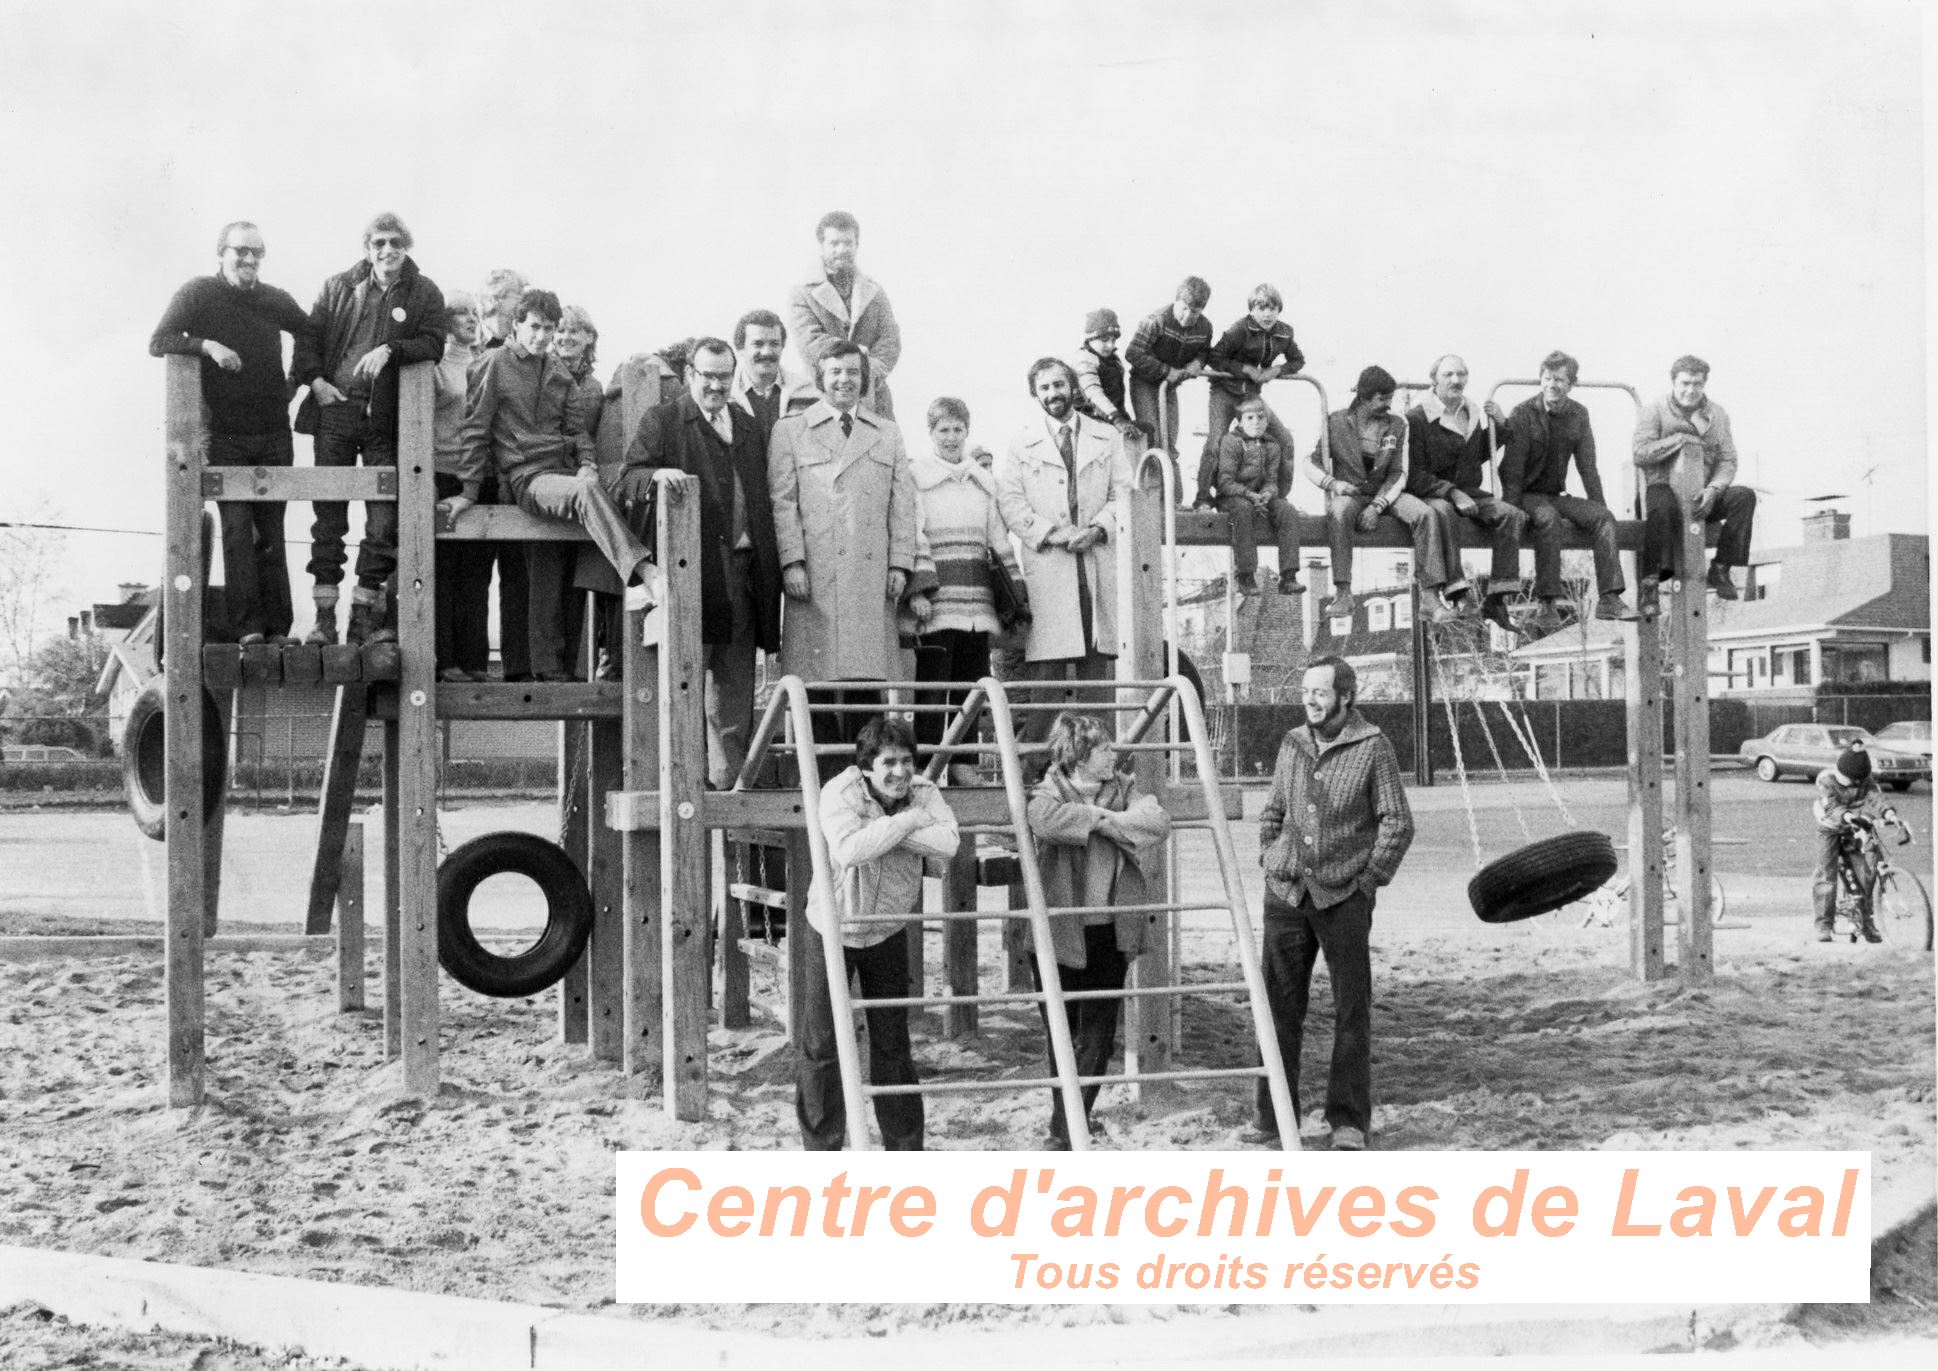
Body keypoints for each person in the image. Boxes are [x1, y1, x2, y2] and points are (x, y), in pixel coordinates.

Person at [1251, 656, 1414, 1151]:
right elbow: (1273, 810)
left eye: (1320, 692)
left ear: (1346, 696)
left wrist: (1368, 882)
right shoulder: (1292, 744)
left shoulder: (1374, 748)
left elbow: (1397, 823)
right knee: (1277, 1008)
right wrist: (1269, 854)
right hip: (1285, 894)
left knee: (1351, 1010)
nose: (1310, 701)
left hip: (1344, 897)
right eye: (1305, 692)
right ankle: (1273, 1117)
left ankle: (1347, 1120)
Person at [460, 288, 659, 683]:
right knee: (586, 496)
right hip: (525, 477)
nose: (542, 336)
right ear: (516, 325)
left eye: (549, 329)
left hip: (564, 473)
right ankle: (641, 572)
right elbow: (475, 428)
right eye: (534, 327)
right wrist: (468, 491)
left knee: (563, 555)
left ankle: (554, 668)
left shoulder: (556, 370)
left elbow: (576, 430)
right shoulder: (493, 364)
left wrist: (587, 464)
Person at [621, 338, 783, 788]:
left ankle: (732, 794)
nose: (715, 385)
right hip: (693, 577)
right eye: (707, 375)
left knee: (734, 695)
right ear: (690, 372)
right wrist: (655, 475)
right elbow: (627, 479)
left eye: (723, 376)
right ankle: (685, 787)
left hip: (745, 577)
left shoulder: (748, 427)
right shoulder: (665, 421)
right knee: (686, 687)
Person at [798, 717, 959, 1150]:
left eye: (908, 761)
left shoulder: (925, 792)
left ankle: (905, 1148)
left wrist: (886, 834)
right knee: (823, 1041)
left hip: (887, 929)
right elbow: (848, 849)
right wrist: (908, 825)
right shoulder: (840, 792)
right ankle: (823, 1150)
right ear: (868, 766)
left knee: (893, 1043)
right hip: (833, 927)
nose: (900, 772)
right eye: (889, 762)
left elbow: (949, 844)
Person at [149, 219, 309, 645]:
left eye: (257, 252)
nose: (250, 259)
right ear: (222, 252)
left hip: (274, 432)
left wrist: (296, 379)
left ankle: (279, 628)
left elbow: (310, 332)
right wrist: (207, 346)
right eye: (241, 251)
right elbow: (159, 339)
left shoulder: (275, 300)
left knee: (271, 535)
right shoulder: (199, 293)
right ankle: (248, 627)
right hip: (227, 434)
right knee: (238, 531)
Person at [291, 212, 447, 645]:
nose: (387, 250)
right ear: (367, 248)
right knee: (329, 516)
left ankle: (363, 615)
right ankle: (324, 618)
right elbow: (307, 338)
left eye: (396, 242)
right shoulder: (338, 286)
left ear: (406, 246)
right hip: (336, 410)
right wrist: (317, 382)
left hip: (384, 417)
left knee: (383, 521)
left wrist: (391, 349)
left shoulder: (423, 291)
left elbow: (434, 342)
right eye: (379, 243)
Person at [1024, 713, 1172, 1149]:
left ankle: (1067, 1127)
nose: (1114, 754)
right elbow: (1046, 820)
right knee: (1061, 1033)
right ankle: (1068, 1124)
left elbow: (1157, 821)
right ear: (1081, 756)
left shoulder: (1124, 787)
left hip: (1110, 929)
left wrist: (1095, 821)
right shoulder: (1047, 789)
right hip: (1061, 931)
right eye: (1104, 749)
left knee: (1100, 1035)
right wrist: (1107, 821)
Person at [768, 340, 920, 760]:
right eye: (835, 372)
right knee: (814, 684)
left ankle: (868, 775)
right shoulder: (790, 430)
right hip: (815, 577)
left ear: (864, 379)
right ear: (820, 378)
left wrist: (901, 564)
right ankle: (823, 780)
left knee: (865, 686)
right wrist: (792, 561)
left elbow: (902, 504)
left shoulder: (886, 432)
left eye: (853, 372)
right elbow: (782, 503)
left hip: (870, 580)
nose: (844, 380)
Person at [994, 359, 1132, 749]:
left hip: (1095, 562)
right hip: (1050, 566)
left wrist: (1097, 529)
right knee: (1047, 676)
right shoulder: (1022, 445)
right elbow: (1012, 503)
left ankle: (1095, 763)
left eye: (1059, 385)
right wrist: (1053, 534)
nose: (1053, 394)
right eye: (1044, 388)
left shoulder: (1107, 437)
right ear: (1035, 394)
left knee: (1096, 670)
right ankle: (1037, 766)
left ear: (1073, 386)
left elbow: (1122, 493)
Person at [910, 397, 1023, 777]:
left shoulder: (983, 481)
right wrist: (919, 589)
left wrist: (1015, 595)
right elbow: (914, 535)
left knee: (972, 686)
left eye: (958, 429)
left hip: (977, 603)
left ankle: (963, 763)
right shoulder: (918, 478)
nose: (952, 437)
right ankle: (925, 765)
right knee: (932, 689)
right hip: (939, 602)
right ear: (931, 433)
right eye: (943, 429)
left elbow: (999, 539)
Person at [1304, 366, 1462, 624]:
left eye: (1390, 398)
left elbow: (1399, 472)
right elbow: (1310, 463)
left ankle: (1430, 597)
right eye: (1382, 399)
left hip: (1386, 493)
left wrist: (1377, 505)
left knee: (1425, 513)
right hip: (1352, 492)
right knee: (1339, 511)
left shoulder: (1398, 424)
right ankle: (1343, 591)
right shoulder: (1335, 422)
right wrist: (1333, 484)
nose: (1387, 404)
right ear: (1364, 398)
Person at [1501, 350, 1636, 628]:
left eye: (1560, 380)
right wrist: (1512, 511)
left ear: (1571, 384)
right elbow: (1513, 469)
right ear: (1541, 380)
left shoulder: (1578, 414)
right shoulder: (1523, 413)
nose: (1553, 385)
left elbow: (1588, 466)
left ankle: (1609, 598)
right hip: (1526, 494)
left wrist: (1599, 505)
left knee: (1603, 518)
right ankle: (1547, 601)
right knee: (1548, 518)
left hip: (1554, 494)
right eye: (1548, 378)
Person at [1402, 354, 1526, 633]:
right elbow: (1412, 474)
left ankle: (1497, 599)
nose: (1456, 380)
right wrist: (1452, 492)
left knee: (1512, 515)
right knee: (1443, 511)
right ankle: (1458, 593)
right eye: (1448, 375)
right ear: (1434, 379)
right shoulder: (1417, 417)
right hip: (1433, 491)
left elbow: (1475, 456)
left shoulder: (1471, 412)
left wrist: (1501, 428)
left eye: (1461, 374)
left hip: (1470, 491)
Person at [1632, 355, 1757, 599]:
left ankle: (1721, 569)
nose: (1691, 390)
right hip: (1663, 485)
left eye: (1697, 384)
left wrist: (1713, 489)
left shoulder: (1717, 415)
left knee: (1744, 497)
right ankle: (1652, 581)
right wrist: (1678, 440)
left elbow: (1728, 460)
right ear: (1674, 382)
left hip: (1701, 493)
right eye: (1685, 383)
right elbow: (1640, 452)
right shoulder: (1654, 410)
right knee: (1662, 509)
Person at [472, 268, 534, 679]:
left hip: (513, 474)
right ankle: (474, 662)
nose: (523, 303)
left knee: (519, 574)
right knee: (474, 574)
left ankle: (519, 665)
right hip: (481, 474)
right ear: (497, 301)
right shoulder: (472, 349)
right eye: (518, 296)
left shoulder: (527, 357)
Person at [787, 211, 902, 420]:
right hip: (820, 393)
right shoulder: (802, 293)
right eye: (834, 243)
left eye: (848, 243)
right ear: (821, 245)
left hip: (872, 396)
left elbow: (890, 339)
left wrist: (868, 373)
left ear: (857, 245)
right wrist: (858, 357)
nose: (842, 250)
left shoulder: (874, 291)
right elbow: (810, 343)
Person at [1196, 283, 1303, 509]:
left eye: (1272, 308)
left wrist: (1277, 370)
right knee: (1215, 442)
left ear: (1279, 310)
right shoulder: (1239, 329)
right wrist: (1245, 369)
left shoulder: (1284, 333)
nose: (1267, 314)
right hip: (1225, 391)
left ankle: (1278, 497)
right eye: (1261, 308)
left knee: (1285, 439)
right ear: (1251, 310)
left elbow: (1298, 360)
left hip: (1251, 398)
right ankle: (1203, 498)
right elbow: (1215, 357)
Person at [428, 292, 489, 682]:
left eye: (474, 313)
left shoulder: (486, 361)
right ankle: (445, 660)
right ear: (445, 319)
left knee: (477, 570)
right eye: (461, 312)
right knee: (443, 571)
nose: (469, 319)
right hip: (441, 472)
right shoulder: (432, 365)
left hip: (477, 473)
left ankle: (476, 662)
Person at [1124, 276, 1214, 488]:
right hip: (1145, 383)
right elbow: (1133, 353)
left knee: (1169, 440)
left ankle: (1175, 501)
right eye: (1184, 308)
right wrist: (1165, 371)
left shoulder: (1205, 327)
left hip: (1169, 388)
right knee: (1152, 436)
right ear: (1176, 301)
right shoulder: (1156, 320)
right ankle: (1152, 496)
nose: (1188, 316)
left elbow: (1205, 352)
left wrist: (1198, 363)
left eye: (1195, 312)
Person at [1216, 396, 1305, 597]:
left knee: (1287, 510)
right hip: (1234, 496)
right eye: (1249, 418)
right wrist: (1249, 495)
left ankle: (1289, 575)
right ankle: (1246, 574)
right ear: (1240, 421)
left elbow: (1272, 480)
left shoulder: (1272, 446)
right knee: (1243, 510)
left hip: (1259, 496)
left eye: (1260, 417)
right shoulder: (1231, 442)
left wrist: (1267, 493)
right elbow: (1225, 481)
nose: (1256, 422)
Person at [1812, 740, 1891, 943]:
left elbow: (1875, 797)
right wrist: (1847, 816)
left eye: (1856, 781)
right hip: (1829, 828)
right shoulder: (1826, 780)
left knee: (1865, 873)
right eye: (1847, 779)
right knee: (1826, 876)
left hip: (1853, 827)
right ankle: (1824, 925)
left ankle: (1866, 922)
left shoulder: (1863, 780)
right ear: (1838, 770)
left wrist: (1889, 813)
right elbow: (1832, 808)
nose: (1851, 784)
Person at [730, 308, 816, 442]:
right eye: (758, 344)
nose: (767, 352)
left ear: (782, 346)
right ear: (740, 348)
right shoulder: (727, 396)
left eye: (774, 344)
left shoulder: (808, 391)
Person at [1069, 308, 1146, 439]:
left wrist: (1123, 418)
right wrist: (1117, 420)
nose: (1110, 345)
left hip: (1108, 418)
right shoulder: (1084, 360)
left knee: (1145, 429)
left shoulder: (1112, 359)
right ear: (1090, 339)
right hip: (1089, 420)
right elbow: (1093, 394)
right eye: (1104, 340)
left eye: (1113, 340)